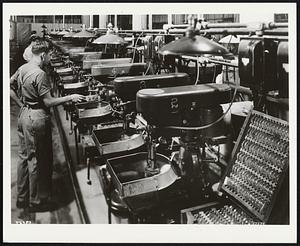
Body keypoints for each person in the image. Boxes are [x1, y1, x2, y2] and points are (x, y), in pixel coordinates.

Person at [10, 40, 85, 213]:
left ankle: (22, 198)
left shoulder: (23, 68)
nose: (50, 57)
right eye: (50, 55)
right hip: (36, 118)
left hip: (24, 116)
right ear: (43, 55)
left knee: (24, 157)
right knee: (35, 159)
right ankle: (36, 202)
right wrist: (70, 97)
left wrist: (21, 104)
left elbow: (9, 87)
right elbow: (49, 102)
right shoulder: (40, 74)